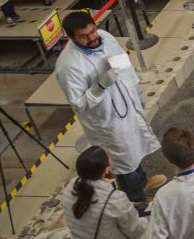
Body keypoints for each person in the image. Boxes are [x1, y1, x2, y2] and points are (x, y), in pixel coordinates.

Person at [55, 12, 164, 204]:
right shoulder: (68, 66)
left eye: (93, 31)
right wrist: (100, 87)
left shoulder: (105, 37)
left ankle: (143, 181)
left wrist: (137, 88)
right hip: (108, 123)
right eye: (84, 36)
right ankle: (136, 201)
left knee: (134, 148)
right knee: (124, 163)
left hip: (127, 105)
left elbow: (125, 63)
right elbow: (79, 105)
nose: (92, 38)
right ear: (71, 38)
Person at [60, 146, 150, 239]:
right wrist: (146, 219)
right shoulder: (114, 199)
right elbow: (135, 231)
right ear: (106, 169)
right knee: (163, 222)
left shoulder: (70, 187)